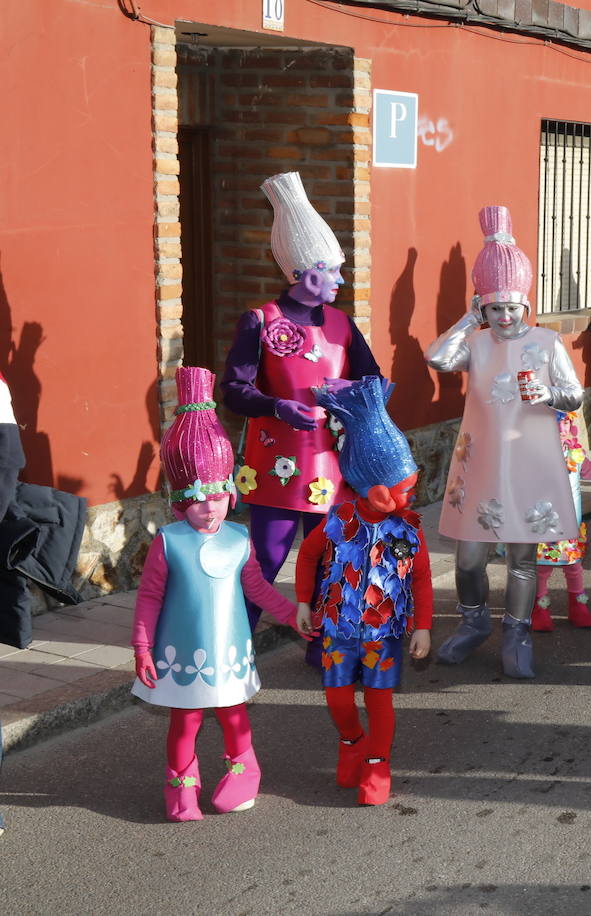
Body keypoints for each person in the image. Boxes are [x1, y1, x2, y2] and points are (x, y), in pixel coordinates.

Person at [132, 367, 308, 822]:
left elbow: (254, 587)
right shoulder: (167, 542)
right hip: (182, 652)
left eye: (216, 495)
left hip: (227, 650)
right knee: (184, 721)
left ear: (231, 492)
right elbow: (150, 597)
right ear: (177, 503)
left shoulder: (237, 537)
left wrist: (291, 615)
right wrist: (142, 647)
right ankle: (181, 788)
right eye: (195, 498)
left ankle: (243, 773)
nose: (208, 507)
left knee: (234, 716)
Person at [220, 172, 380, 664]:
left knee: (331, 559)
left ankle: (324, 646)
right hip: (274, 464)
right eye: (334, 271)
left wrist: (347, 390)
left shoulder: (342, 324)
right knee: (263, 560)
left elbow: (374, 382)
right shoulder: (261, 320)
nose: (340, 280)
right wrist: (275, 405)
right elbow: (233, 390)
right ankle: (234, 647)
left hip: (330, 466)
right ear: (308, 274)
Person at [426, 205, 584, 679]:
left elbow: (574, 395)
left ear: (526, 306)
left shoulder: (547, 342)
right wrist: (463, 321)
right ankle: (473, 623)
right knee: (469, 556)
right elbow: (437, 360)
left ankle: (515, 632)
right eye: (494, 308)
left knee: (521, 555)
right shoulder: (475, 343)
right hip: (481, 463)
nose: (505, 317)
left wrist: (549, 393)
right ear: (483, 307)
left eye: (512, 308)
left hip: (529, 462)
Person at [295, 375, 432, 807]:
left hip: (384, 631)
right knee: (337, 698)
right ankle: (352, 741)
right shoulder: (338, 519)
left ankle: (377, 762)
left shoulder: (409, 528)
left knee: (380, 701)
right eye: (406, 487)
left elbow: (423, 579)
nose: (414, 492)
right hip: (338, 627)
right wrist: (302, 600)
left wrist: (423, 627)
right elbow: (307, 556)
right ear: (378, 491)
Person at [531, 410, 591, 631]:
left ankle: (578, 608)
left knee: (574, 566)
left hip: (570, 525)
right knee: (542, 569)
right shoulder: (535, 454)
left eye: (567, 423)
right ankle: (539, 609)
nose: (563, 429)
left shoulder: (574, 451)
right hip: (544, 525)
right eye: (559, 423)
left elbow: (590, 471)